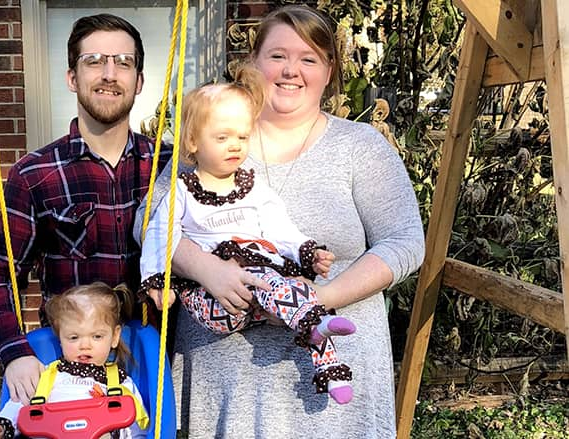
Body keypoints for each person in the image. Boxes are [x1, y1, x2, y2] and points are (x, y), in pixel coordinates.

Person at [135, 5, 425, 437]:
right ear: (253, 64)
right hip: (227, 382)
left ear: (329, 72)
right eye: (277, 56)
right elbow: (148, 222)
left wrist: (321, 298)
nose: (292, 70)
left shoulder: (359, 146)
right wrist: (207, 269)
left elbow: (404, 242)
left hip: (332, 395)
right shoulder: (215, 135)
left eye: (309, 59)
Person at [0, 13, 170, 408]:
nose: (110, 74)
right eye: (94, 61)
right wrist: (14, 353)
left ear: (139, 81)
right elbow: (0, 274)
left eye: (124, 62)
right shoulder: (35, 175)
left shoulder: (168, 167)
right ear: (71, 77)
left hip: (156, 358)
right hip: (71, 368)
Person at [136, 66, 357, 404]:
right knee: (270, 286)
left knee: (290, 287)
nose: (235, 146)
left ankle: (325, 356)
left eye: (242, 136)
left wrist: (306, 251)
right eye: (222, 137)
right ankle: (311, 325)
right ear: (193, 141)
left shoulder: (252, 186)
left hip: (261, 290)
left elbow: (278, 226)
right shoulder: (182, 190)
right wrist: (155, 280)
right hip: (215, 300)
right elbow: (158, 233)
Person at [0, 282, 149, 439]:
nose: (85, 345)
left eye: (97, 336)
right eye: (74, 337)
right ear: (60, 338)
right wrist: (2, 425)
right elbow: (19, 406)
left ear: (115, 336)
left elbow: (137, 426)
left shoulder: (120, 383)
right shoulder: (47, 376)